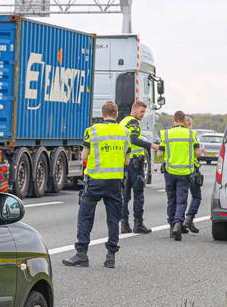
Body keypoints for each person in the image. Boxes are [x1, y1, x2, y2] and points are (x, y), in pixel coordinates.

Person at [63, 101, 129, 268]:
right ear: (116, 114)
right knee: (113, 218)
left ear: (102, 113)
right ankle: (111, 256)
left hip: (95, 181)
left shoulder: (92, 130)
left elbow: (84, 156)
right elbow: (126, 160)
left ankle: (81, 254)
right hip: (114, 182)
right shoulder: (125, 132)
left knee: (86, 216)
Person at [161, 111, 203, 241]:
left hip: (169, 172)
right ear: (183, 119)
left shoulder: (166, 133)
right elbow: (197, 153)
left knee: (171, 200)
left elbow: (159, 155)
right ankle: (178, 223)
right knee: (181, 201)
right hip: (185, 172)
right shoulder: (191, 134)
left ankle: (171, 227)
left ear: (174, 120)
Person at [118, 100, 159, 234]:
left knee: (125, 196)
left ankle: (124, 225)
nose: (143, 114)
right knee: (138, 195)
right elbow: (134, 139)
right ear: (134, 110)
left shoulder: (122, 122)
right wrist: (151, 145)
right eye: (141, 112)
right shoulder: (133, 122)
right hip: (135, 164)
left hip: (124, 164)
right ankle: (138, 224)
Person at [182, 115, 203, 234]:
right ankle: (189, 219)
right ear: (189, 125)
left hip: (178, 170)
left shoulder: (176, 135)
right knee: (196, 196)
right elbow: (197, 153)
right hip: (192, 170)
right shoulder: (191, 136)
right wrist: (201, 150)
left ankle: (186, 222)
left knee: (181, 198)